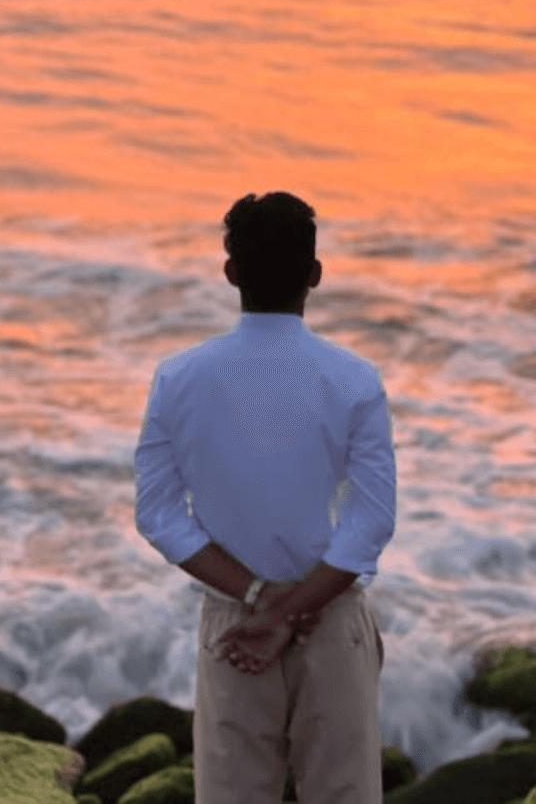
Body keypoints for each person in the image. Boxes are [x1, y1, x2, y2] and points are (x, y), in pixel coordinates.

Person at [134, 190, 396, 804]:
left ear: (231, 273)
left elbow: (159, 514)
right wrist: (295, 608)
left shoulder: (179, 378)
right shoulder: (354, 378)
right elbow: (370, 522)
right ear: (315, 274)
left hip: (236, 619)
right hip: (330, 616)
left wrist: (261, 601)